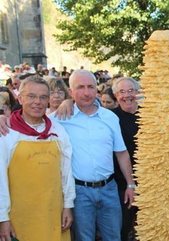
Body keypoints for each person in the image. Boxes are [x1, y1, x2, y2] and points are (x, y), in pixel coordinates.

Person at [55, 70, 136, 241]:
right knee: (85, 238)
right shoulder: (61, 118)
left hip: (110, 189)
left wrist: (130, 185)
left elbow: (121, 153)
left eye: (90, 87)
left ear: (96, 90)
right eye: (80, 87)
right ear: (71, 92)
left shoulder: (110, 117)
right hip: (80, 192)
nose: (86, 92)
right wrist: (4, 119)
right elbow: (33, 122)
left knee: (114, 236)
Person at [0, 75, 75, 241]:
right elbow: (0, 180)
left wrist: (68, 205)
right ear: (20, 98)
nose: (37, 102)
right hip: (20, 216)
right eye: (31, 96)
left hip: (53, 213)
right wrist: (2, 217)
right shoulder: (7, 133)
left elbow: (66, 172)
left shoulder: (58, 130)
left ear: (48, 100)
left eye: (42, 97)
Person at [111, 77, 140, 241]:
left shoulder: (149, 116)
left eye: (131, 91)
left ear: (137, 92)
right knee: (122, 227)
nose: (127, 95)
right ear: (116, 95)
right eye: (122, 92)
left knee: (149, 227)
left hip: (149, 182)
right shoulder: (110, 117)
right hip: (121, 183)